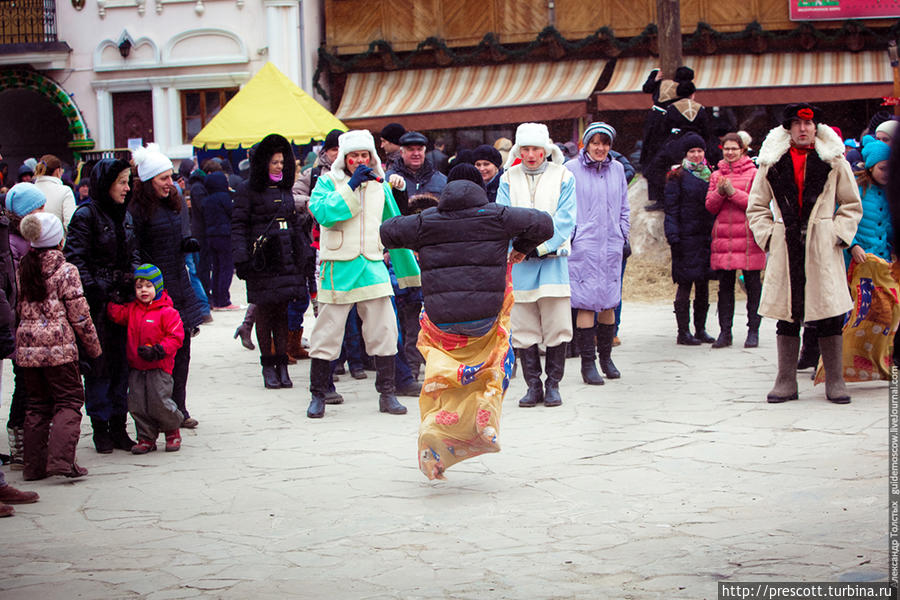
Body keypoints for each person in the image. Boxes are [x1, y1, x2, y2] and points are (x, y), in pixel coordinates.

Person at [380, 162, 553, 479]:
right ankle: (483, 420)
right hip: (484, 320)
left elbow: (388, 231)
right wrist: (521, 248)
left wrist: (416, 227)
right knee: (490, 371)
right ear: (479, 190)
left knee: (446, 382)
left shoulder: (426, 221)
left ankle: (437, 428)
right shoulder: (497, 216)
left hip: (441, 323)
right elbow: (545, 224)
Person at [746, 103, 862, 404]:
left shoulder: (835, 162)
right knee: (787, 313)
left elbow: (851, 204)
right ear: (788, 129)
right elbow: (756, 207)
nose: (802, 129)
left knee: (828, 313)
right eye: (796, 123)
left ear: (816, 128)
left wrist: (836, 233)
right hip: (786, 245)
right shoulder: (771, 163)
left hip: (822, 246)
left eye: (807, 124)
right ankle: (786, 380)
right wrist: (769, 236)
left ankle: (834, 380)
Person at [306, 129, 422, 418]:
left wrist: (399, 192)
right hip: (338, 267)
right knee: (327, 333)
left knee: (384, 329)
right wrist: (350, 187)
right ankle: (318, 394)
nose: (359, 160)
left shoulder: (380, 187)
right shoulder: (327, 182)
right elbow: (323, 214)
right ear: (344, 157)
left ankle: (387, 393)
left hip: (372, 266)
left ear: (372, 156)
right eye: (354, 155)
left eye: (364, 155)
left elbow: (394, 224)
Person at [497, 122, 576, 408]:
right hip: (519, 262)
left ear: (546, 150)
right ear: (519, 150)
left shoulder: (563, 176)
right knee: (524, 325)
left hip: (553, 262)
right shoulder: (508, 178)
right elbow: (503, 216)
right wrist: (518, 249)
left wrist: (539, 247)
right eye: (526, 149)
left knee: (557, 325)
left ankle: (553, 384)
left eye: (536, 149)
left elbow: (566, 219)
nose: (531, 154)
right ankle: (533, 385)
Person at [64, 158, 142, 452]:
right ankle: (100, 427)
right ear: (106, 183)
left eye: (128, 181)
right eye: (121, 182)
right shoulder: (86, 215)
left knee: (123, 366)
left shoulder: (126, 215)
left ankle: (119, 426)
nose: (126, 188)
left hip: (125, 303)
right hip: (97, 306)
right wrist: (95, 289)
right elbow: (76, 259)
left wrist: (135, 280)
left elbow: (134, 252)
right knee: (100, 368)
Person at [16, 212, 101, 479]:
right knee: (69, 400)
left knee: (37, 405)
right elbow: (79, 313)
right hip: (59, 348)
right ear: (58, 240)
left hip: (27, 350)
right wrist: (94, 347)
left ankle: (33, 466)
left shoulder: (23, 267)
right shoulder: (66, 270)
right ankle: (62, 462)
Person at [129, 143, 205, 428]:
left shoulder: (173, 201)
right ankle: (159, 411)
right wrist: (142, 281)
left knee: (182, 349)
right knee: (160, 355)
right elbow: (135, 248)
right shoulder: (137, 210)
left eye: (171, 177)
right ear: (149, 181)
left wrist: (186, 243)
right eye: (163, 178)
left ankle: (180, 408)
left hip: (179, 283)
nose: (169, 183)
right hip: (154, 289)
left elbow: (178, 233)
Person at [232, 133, 311, 389]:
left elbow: (294, 223)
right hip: (262, 261)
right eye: (275, 162)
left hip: (286, 258)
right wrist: (241, 259)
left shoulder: (284, 188)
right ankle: (268, 365)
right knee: (265, 314)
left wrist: (302, 254)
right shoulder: (247, 190)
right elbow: (239, 226)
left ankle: (282, 365)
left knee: (283, 314)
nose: (279, 166)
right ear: (264, 162)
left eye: (281, 162)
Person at [565, 122, 629, 384]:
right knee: (586, 303)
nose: (600, 148)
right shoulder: (570, 169)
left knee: (609, 302)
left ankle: (607, 358)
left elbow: (624, 205)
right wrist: (573, 236)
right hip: (585, 245)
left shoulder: (617, 170)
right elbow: (565, 206)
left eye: (605, 143)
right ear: (586, 144)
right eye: (595, 143)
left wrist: (623, 232)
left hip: (611, 244)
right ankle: (587, 363)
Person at [107, 264, 185, 454]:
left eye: (148, 286)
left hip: (159, 365)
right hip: (136, 366)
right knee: (137, 403)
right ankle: (146, 437)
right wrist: (111, 300)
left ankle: (172, 429)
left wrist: (159, 350)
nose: (144, 291)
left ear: (157, 287)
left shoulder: (167, 311)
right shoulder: (133, 309)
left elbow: (176, 337)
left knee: (160, 401)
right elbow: (117, 314)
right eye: (139, 287)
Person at [705, 132, 766, 349]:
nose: (730, 153)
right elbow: (710, 206)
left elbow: (757, 204)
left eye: (734, 148)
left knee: (752, 285)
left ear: (743, 150)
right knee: (725, 287)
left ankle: (753, 330)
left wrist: (732, 192)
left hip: (748, 236)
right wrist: (720, 193)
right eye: (726, 149)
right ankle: (725, 332)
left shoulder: (755, 174)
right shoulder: (716, 175)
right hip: (724, 236)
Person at [663, 132, 716, 345]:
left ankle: (700, 329)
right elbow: (671, 209)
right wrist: (673, 235)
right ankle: (683, 332)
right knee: (685, 284)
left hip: (706, 236)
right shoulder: (677, 176)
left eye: (699, 151)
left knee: (703, 285)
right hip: (685, 237)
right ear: (685, 153)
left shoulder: (711, 174)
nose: (696, 155)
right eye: (692, 151)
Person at [847, 136, 892, 266]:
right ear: (871, 167)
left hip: (883, 261)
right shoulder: (856, 188)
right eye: (882, 168)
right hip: (857, 261)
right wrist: (853, 246)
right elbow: (841, 219)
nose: (887, 173)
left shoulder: (890, 192)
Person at [202, 171, 239, 310]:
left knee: (216, 268)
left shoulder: (207, 199)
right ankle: (224, 300)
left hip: (210, 236)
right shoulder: (224, 197)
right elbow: (232, 213)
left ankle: (217, 299)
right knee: (226, 267)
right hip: (224, 235)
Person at [386, 131, 448, 200]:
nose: (416, 153)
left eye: (419, 149)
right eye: (411, 149)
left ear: (424, 152)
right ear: (401, 153)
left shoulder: (441, 180)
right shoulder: (389, 179)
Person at [33, 155, 77, 231]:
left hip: (33, 240)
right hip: (58, 240)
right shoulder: (65, 191)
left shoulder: (30, 190)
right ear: (57, 171)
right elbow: (70, 224)